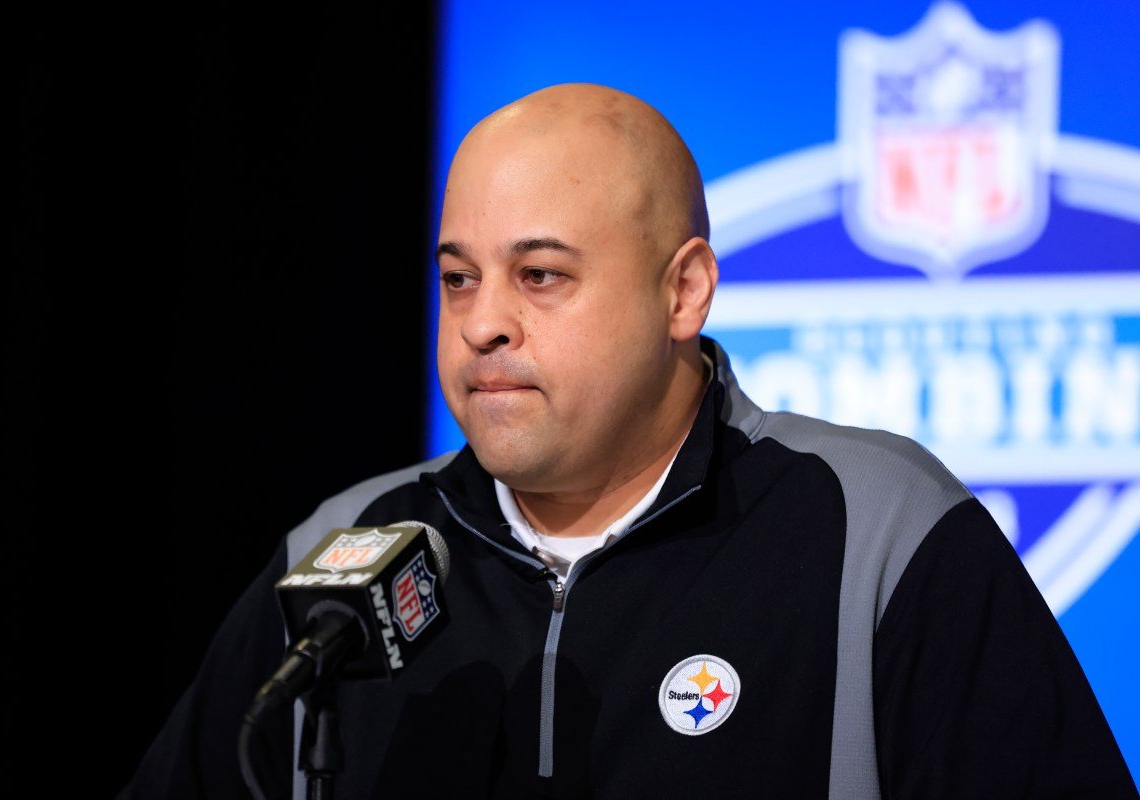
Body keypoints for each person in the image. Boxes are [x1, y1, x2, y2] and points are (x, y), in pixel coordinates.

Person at [121, 83, 1137, 799]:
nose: (483, 323)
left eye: (541, 275)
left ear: (683, 291)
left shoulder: (878, 528)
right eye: (459, 278)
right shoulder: (340, 548)